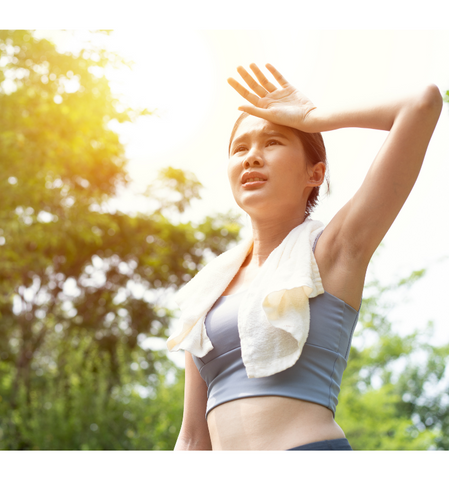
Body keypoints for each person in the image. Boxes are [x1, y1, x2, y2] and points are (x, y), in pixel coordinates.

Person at [168, 63, 442, 450]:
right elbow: (193, 438)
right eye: (240, 148)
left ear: (315, 174)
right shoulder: (207, 291)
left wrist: (313, 119)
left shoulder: (333, 250)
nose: (252, 157)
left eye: (273, 142)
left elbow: (421, 103)